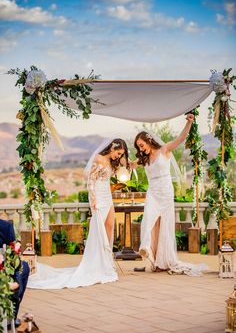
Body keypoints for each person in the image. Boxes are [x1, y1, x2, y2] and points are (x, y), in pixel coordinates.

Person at [28, 138, 129, 289]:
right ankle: (98, 264)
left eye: (121, 154)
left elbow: (124, 166)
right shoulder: (99, 159)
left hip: (107, 195)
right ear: (112, 148)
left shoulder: (114, 162)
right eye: (118, 153)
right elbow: (91, 181)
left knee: (109, 226)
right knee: (99, 230)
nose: (118, 156)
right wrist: (93, 199)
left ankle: (107, 261)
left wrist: (125, 159)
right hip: (98, 196)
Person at [132, 114, 207, 276]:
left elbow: (181, 138)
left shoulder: (164, 149)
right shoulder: (143, 159)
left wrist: (189, 122)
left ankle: (162, 261)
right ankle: (146, 248)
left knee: (164, 226)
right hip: (152, 191)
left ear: (148, 140)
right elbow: (130, 165)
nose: (140, 149)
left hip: (165, 190)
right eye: (138, 147)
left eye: (141, 145)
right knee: (148, 220)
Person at [0, 219, 30, 326]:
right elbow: (12, 255)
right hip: (3, 279)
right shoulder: (5, 227)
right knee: (24, 268)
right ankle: (11, 318)